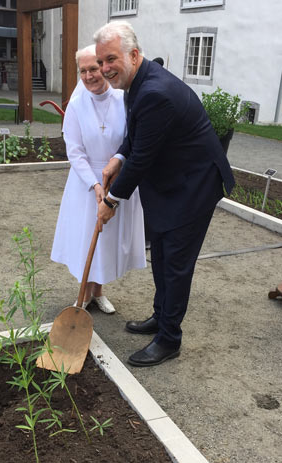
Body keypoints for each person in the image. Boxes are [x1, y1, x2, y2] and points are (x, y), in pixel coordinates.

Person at [94, 21, 235, 365]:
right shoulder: (136, 81)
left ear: (134, 54)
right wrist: (117, 157)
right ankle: (161, 317)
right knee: (160, 252)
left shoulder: (155, 92)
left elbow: (143, 157)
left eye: (110, 59)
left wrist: (111, 201)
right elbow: (136, 135)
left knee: (175, 263)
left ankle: (169, 338)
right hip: (172, 182)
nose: (105, 68)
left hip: (194, 186)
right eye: (101, 62)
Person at [51, 44, 146, 314]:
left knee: (106, 239)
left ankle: (99, 292)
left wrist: (119, 171)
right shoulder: (77, 106)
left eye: (94, 68)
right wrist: (93, 184)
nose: (89, 76)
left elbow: (133, 141)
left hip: (118, 181)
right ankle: (82, 294)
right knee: (86, 238)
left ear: (104, 67)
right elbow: (75, 151)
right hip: (85, 183)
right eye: (83, 71)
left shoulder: (124, 101)